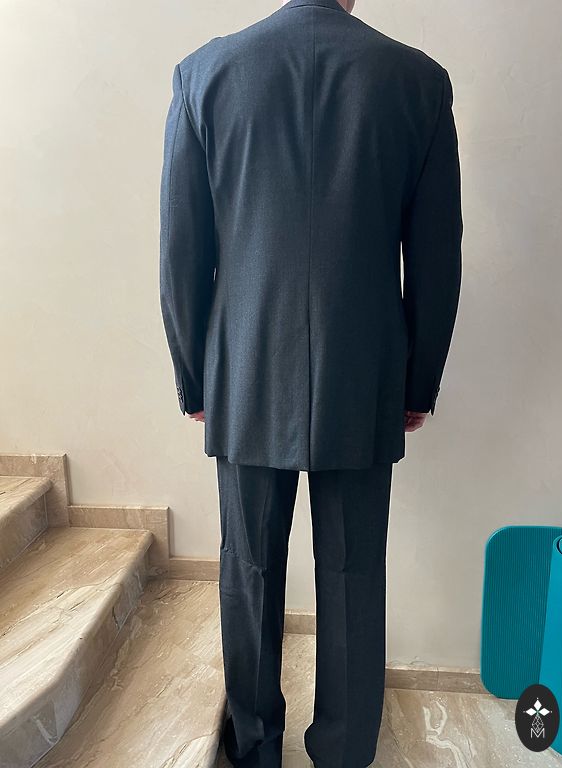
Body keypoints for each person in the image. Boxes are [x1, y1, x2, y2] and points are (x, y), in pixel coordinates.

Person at [159, 0, 463, 765]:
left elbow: (182, 247)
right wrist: (417, 381)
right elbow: (436, 254)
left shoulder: (205, 74)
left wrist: (196, 376)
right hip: (363, 371)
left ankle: (255, 747)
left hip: (245, 367)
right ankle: (345, 750)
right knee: (355, 572)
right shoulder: (417, 82)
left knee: (248, 571)